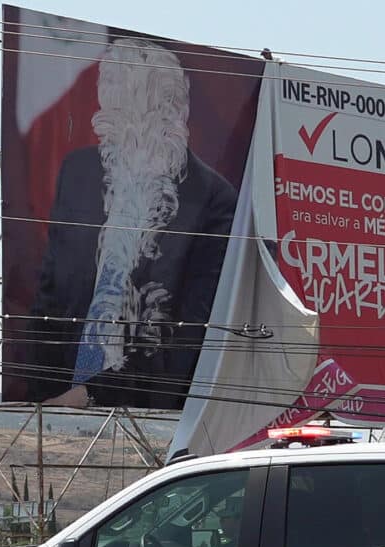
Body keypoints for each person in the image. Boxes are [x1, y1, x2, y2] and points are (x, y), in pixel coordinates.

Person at [27, 39, 237, 409]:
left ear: (171, 113)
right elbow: (49, 300)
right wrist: (36, 393)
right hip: (55, 395)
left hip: (148, 405)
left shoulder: (213, 201)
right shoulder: (79, 172)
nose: (104, 125)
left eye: (125, 111)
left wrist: (90, 394)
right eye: (109, 105)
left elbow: (187, 335)